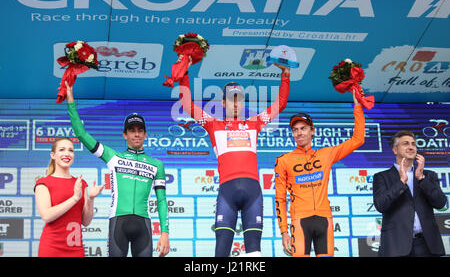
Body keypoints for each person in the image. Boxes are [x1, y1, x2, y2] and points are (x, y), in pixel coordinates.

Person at [176, 56, 290, 257]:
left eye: (239, 99)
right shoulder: (213, 124)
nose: (235, 104)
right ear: (223, 102)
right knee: (221, 253)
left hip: (253, 193)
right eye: (231, 99)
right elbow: (186, 103)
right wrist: (184, 70)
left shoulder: (254, 123)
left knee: (254, 253)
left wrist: (286, 75)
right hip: (226, 193)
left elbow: (279, 104)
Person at [64, 81, 170, 257]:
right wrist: (70, 101)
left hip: (144, 226)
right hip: (118, 224)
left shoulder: (156, 164)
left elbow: (161, 200)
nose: (136, 134)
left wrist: (165, 232)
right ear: (125, 135)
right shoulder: (113, 157)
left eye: (140, 130)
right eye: (131, 130)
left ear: (145, 134)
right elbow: (82, 134)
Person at [274, 90, 364, 257]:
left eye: (303, 128)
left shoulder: (326, 154)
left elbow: (358, 139)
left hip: (324, 219)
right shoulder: (284, 160)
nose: (299, 133)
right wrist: (284, 232)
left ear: (312, 131)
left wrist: (357, 106)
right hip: (299, 220)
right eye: (295, 130)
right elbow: (280, 198)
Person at [373, 130, 446, 257]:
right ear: (395, 150)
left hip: (427, 245)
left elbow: (440, 203)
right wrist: (401, 182)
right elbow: (381, 205)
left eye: (413, 144)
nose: (411, 147)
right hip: (396, 246)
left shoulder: (429, 175)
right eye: (405, 144)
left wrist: (422, 178)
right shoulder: (381, 177)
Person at [34, 137, 104, 257]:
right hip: (51, 248)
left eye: (71, 150)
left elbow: (85, 222)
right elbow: (46, 215)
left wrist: (91, 199)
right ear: (53, 155)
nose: (67, 153)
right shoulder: (43, 183)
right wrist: (74, 198)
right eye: (62, 150)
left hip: (76, 249)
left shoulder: (81, 184)